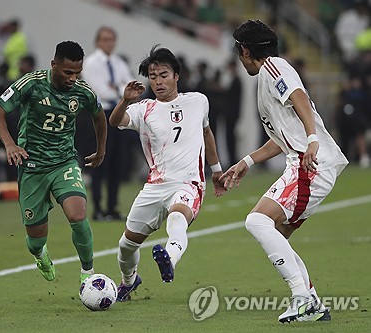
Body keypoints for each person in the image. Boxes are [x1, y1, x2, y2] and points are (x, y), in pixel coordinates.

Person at [220, 20, 349, 323]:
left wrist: (313, 140)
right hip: (305, 160)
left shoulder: (274, 68)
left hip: (310, 162)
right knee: (275, 233)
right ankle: (312, 303)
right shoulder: (267, 77)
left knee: (257, 220)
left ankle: (302, 298)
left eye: (239, 51)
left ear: (245, 50)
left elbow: (299, 98)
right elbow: (282, 137)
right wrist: (246, 162)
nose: (239, 57)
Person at [108, 45, 225, 301]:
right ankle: (129, 281)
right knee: (126, 246)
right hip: (155, 186)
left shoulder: (198, 101)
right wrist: (126, 100)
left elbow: (207, 133)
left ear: (176, 76)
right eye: (153, 76)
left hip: (188, 183)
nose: (158, 81)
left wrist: (216, 170)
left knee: (177, 220)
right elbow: (115, 122)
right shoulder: (143, 109)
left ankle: (169, 259)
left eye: (163, 74)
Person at [0, 41, 107, 286]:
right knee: (35, 239)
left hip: (64, 162)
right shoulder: (30, 84)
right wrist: (10, 145)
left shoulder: (83, 91)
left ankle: (88, 273)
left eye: (77, 73)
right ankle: (40, 255)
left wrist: (101, 149)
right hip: (32, 166)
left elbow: (99, 116)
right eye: (68, 72)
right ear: (54, 65)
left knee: (77, 215)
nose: (73, 78)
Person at [81, 26, 134, 220]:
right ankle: (97, 208)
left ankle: (112, 207)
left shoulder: (118, 62)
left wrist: (119, 89)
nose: (109, 43)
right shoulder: (91, 63)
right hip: (99, 114)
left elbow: (132, 85)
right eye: (105, 39)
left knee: (117, 163)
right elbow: (101, 91)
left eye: (111, 39)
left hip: (118, 114)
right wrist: (121, 91)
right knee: (99, 162)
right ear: (97, 41)